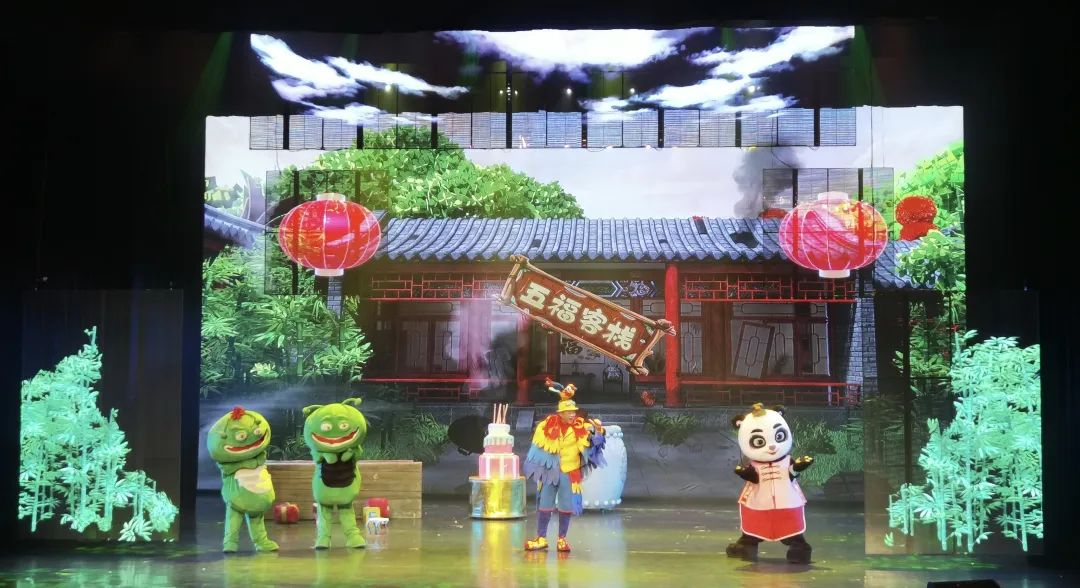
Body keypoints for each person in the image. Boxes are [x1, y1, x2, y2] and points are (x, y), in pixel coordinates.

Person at [523, 379, 605, 552]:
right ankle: (541, 537)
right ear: (560, 413)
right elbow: (537, 440)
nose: (572, 415)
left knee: (566, 505)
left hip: (569, 472)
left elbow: (595, 438)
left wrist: (599, 430)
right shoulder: (548, 424)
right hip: (550, 470)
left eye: (573, 412)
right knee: (545, 503)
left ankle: (562, 538)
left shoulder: (581, 426)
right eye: (568, 412)